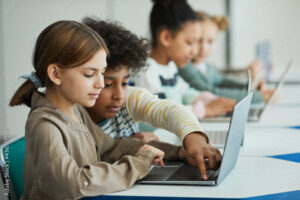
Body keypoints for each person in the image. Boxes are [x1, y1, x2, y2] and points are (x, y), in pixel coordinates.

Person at [9, 20, 195, 199]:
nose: (99, 83)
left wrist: (176, 152)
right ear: (56, 74)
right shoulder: (45, 126)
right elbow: (73, 183)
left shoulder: (77, 112)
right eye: (90, 74)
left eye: (101, 73)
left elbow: (113, 146)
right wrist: (137, 164)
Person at [83, 18, 222, 179]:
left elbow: (169, 111)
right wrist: (132, 145)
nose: (119, 95)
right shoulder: (76, 116)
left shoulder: (129, 99)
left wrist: (193, 139)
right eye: (107, 85)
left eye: (125, 82)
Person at [133, 0, 237, 120]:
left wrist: (211, 100)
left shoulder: (170, 67)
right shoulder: (147, 70)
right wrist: (205, 110)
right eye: (190, 43)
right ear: (166, 38)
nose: (194, 51)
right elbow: (158, 114)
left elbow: (185, 92)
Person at [178, 11, 274, 103]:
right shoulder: (184, 67)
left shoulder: (204, 66)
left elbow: (222, 81)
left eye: (210, 41)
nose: (204, 48)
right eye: (198, 40)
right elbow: (211, 93)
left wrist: (249, 88)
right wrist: (259, 96)